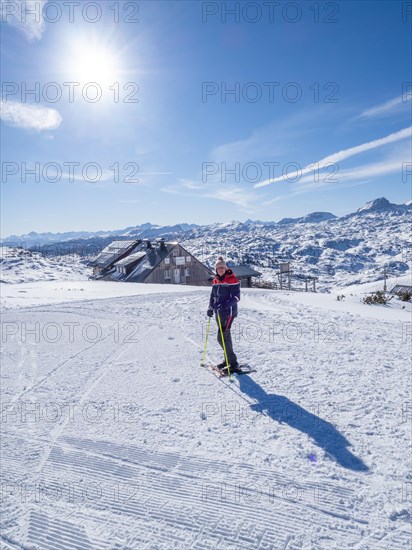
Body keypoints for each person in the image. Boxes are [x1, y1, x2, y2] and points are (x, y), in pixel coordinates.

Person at [207, 256, 240, 370]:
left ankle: (233, 363)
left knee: (222, 338)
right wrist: (211, 307)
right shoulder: (216, 280)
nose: (220, 269)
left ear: (225, 268)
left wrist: (224, 305)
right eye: (218, 267)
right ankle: (228, 360)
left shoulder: (232, 279)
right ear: (216, 269)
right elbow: (213, 296)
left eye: (222, 267)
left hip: (228, 313)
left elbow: (236, 297)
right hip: (218, 312)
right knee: (225, 337)